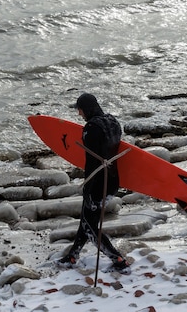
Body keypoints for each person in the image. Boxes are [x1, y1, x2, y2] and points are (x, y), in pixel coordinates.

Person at [56, 93, 130, 272]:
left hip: (97, 182)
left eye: (80, 110)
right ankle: (72, 255)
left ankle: (117, 259)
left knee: (90, 226)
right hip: (112, 180)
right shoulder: (113, 122)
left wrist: (88, 188)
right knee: (87, 218)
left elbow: (92, 163)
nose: (79, 114)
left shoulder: (91, 128)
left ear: (86, 109)